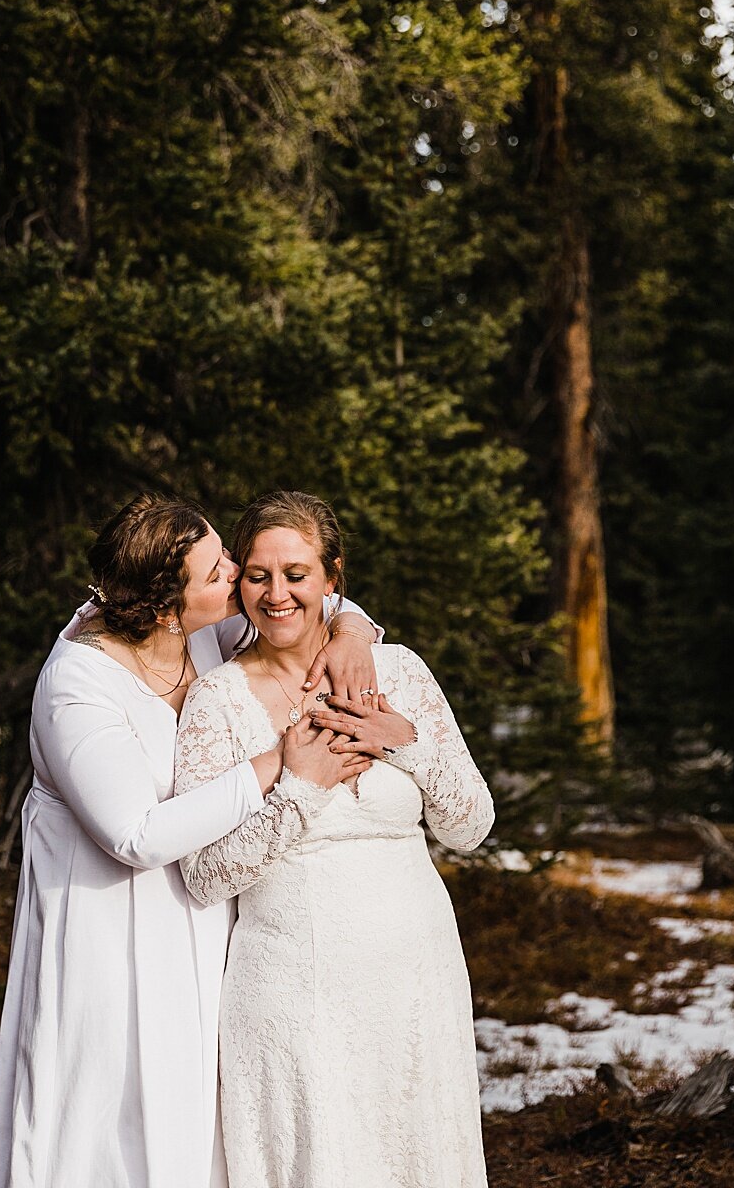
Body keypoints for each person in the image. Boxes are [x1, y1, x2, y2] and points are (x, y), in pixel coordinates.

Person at [0, 492, 382, 1188]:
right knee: (105, 1115)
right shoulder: (77, 685)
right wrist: (276, 764)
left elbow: (304, 608)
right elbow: (132, 834)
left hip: (199, 917)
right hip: (106, 928)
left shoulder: (203, 634)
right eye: (220, 569)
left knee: (191, 1113)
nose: (239, 573)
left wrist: (350, 630)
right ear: (169, 606)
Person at [175, 490, 494, 1188]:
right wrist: (301, 789)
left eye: (296, 574)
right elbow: (202, 874)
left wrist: (404, 743)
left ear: (332, 577)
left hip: (416, 978)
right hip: (293, 988)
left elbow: (471, 826)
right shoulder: (217, 699)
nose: (277, 593)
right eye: (257, 574)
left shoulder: (401, 671)